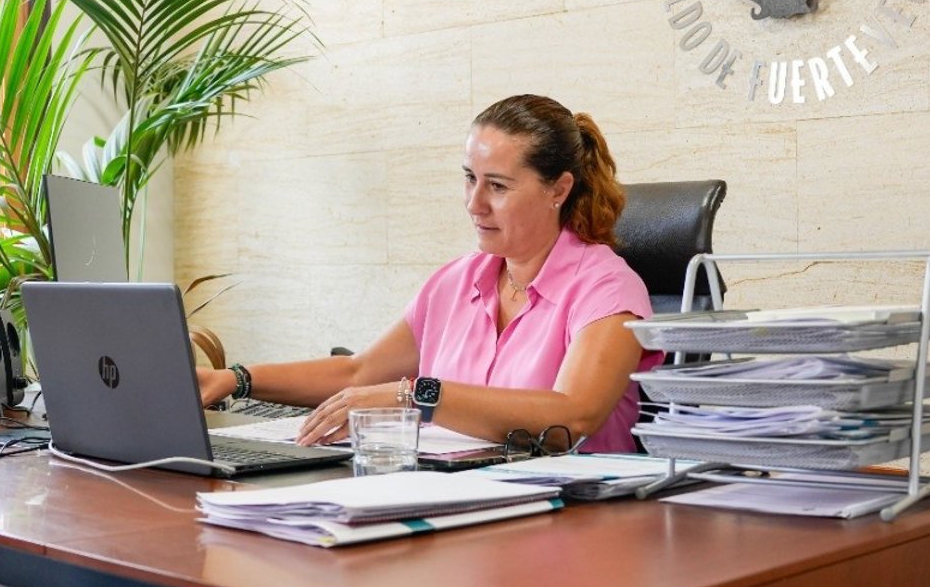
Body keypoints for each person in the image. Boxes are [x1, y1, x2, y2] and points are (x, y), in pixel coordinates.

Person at [197, 93, 663, 452]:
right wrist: (235, 379)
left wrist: (417, 395)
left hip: (573, 516)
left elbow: (574, 416)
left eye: (497, 186)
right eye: (470, 178)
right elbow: (360, 372)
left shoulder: (607, 287)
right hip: (455, 502)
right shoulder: (455, 282)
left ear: (558, 189)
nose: (474, 204)